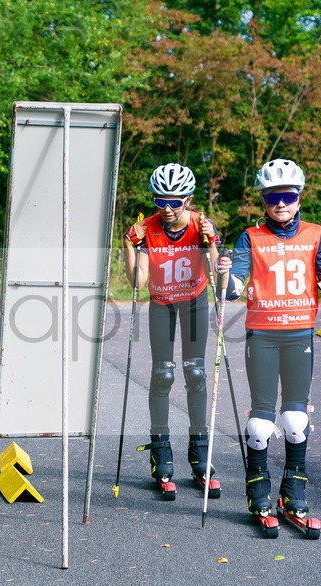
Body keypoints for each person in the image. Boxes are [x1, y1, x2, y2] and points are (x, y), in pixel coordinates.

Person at [216, 159, 320, 523]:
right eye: (272, 197)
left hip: (300, 334)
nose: (280, 204)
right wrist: (225, 276)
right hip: (261, 335)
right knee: (261, 424)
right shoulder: (251, 237)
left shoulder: (315, 234)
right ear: (263, 200)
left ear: (299, 198)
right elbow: (234, 287)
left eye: (287, 196)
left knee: (295, 420)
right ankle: (257, 491)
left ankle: (293, 493)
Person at [124, 163, 220, 494]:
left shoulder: (200, 224)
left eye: (175, 202)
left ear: (188, 199)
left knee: (196, 372)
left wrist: (211, 241)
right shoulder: (148, 228)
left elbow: (217, 275)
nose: (167, 208)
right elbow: (137, 282)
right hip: (162, 303)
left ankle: (200, 452)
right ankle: (161, 451)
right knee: (163, 374)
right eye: (160, 200)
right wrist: (130, 246)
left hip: (194, 301)